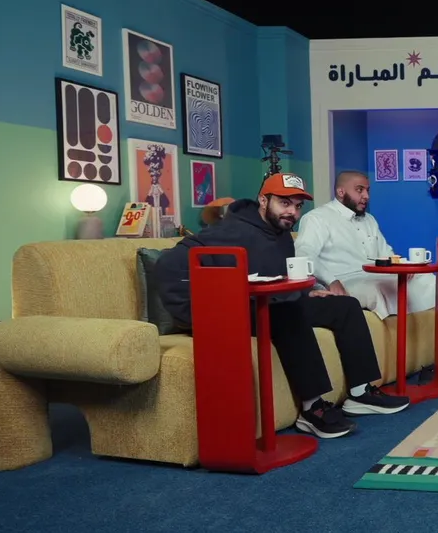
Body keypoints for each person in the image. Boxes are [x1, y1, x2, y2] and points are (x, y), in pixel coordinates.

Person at [153, 172, 410, 440]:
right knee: (289, 314)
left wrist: (308, 292)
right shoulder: (231, 231)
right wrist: (196, 315)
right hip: (235, 312)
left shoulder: (282, 232)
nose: (293, 212)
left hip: (271, 303)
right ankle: (312, 409)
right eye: (284, 203)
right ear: (264, 200)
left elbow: (280, 276)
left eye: (298, 206)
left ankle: (359, 393)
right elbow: (168, 265)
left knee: (345, 306)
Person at [293, 170, 436, 317]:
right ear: (341, 192)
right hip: (343, 279)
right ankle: (391, 327)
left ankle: (419, 327)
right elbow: (304, 253)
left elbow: (385, 253)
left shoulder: (369, 219)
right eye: (359, 190)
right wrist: (332, 281)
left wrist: (403, 267)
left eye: (367, 190)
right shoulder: (317, 218)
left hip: (375, 276)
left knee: (426, 278)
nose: (366, 196)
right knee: (376, 289)